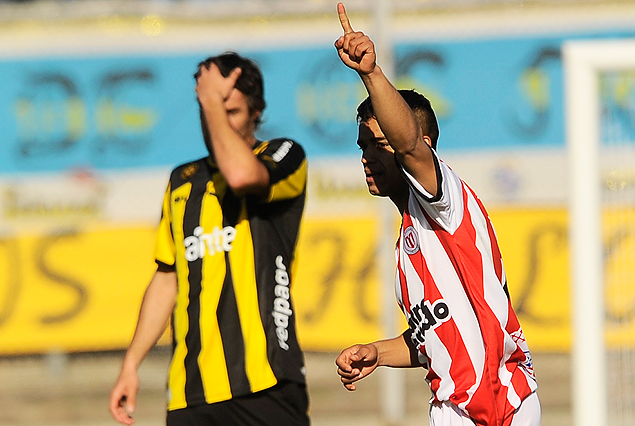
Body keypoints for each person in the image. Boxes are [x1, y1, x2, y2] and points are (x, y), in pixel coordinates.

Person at [333, 3, 540, 425]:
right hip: (450, 409)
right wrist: (378, 352)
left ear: (423, 144)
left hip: (503, 403)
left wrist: (371, 74)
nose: (368, 157)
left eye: (379, 143)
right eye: (362, 146)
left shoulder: (445, 203)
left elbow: (408, 145)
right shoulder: (408, 247)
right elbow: (432, 338)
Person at [109, 52, 310, 426]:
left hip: (267, 385)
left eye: (229, 110)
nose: (217, 118)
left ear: (256, 112)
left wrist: (210, 99)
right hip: (192, 394)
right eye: (207, 108)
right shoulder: (182, 181)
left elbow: (240, 175)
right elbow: (168, 276)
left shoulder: (283, 156)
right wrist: (131, 364)